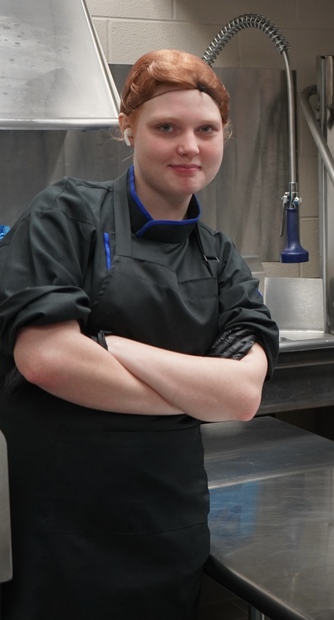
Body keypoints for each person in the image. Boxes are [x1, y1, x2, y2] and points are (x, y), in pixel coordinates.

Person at [0, 49, 279, 619]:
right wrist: (189, 397)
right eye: (165, 127)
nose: (189, 146)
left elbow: (242, 395)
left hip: (163, 522)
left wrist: (110, 346)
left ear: (225, 135)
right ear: (127, 129)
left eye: (206, 130)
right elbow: (46, 359)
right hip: (59, 522)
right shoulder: (66, 215)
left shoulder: (220, 258)